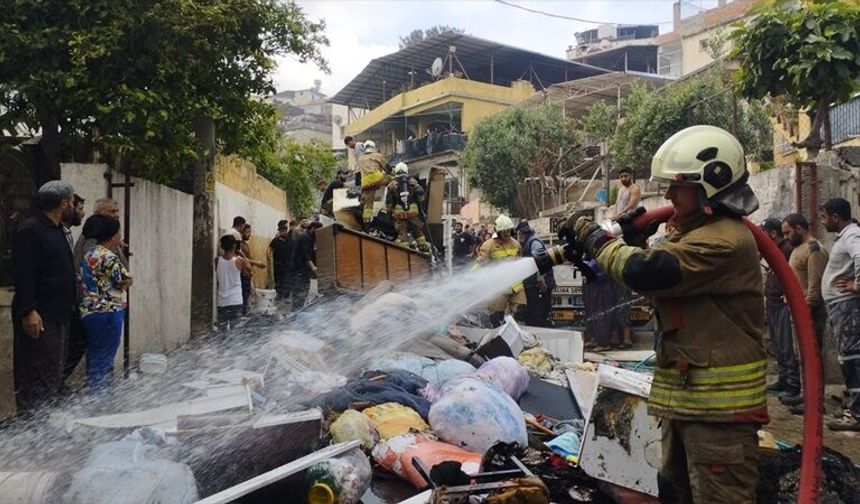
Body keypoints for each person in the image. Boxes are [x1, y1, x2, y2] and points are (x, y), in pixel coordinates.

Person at [565, 125, 767, 503]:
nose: (670, 194)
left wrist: (596, 240)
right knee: (673, 492)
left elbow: (647, 271)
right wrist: (634, 234)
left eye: (679, 186)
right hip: (689, 404)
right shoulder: (696, 231)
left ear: (711, 183)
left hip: (719, 416)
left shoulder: (722, 240)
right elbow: (659, 259)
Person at [12, 181, 78, 410]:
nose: (73, 206)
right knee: (36, 376)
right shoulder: (31, 230)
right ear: (63, 203)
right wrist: (29, 310)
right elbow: (23, 273)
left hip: (58, 314)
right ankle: (31, 431)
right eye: (71, 202)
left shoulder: (56, 230)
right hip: (40, 316)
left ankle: (46, 426)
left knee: (52, 375)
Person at [780, 212, 829, 413]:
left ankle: (816, 401)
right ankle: (808, 395)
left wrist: (805, 309)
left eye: (787, 232)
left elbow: (814, 286)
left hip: (809, 313)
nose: (785, 237)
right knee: (803, 357)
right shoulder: (797, 249)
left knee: (812, 356)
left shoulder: (814, 249)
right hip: (797, 311)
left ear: (799, 229)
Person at [79, 215, 132, 391]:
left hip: (90, 311)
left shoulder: (89, 254)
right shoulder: (108, 256)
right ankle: (98, 403)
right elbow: (126, 280)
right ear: (112, 235)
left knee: (94, 358)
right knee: (104, 361)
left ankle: (93, 397)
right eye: (119, 231)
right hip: (108, 312)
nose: (121, 234)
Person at [820, 198, 860, 431]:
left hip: (848, 307)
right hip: (841, 306)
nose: (823, 221)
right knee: (850, 358)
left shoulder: (853, 235)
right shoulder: (846, 236)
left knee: (853, 359)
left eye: (825, 216)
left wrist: (857, 285)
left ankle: (856, 414)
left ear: (835, 217)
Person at [759, 218, 801, 399]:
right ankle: (784, 380)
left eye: (763, 234)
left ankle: (792, 385)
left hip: (783, 305)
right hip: (773, 303)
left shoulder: (786, 250)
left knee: (785, 346)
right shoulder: (775, 250)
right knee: (778, 345)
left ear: (773, 234)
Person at [475, 215, 525, 327]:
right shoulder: (488, 245)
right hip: (498, 286)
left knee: (521, 314)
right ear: (497, 231)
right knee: (496, 318)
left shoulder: (516, 244)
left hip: (515, 286)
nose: (507, 233)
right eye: (504, 231)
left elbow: (520, 262)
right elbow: (479, 264)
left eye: (508, 230)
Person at [516, 220, 555, 327]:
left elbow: (540, 261)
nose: (518, 237)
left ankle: (541, 336)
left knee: (538, 316)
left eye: (519, 234)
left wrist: (540, 281)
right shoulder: (528, 243)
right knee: (533, 314)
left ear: (522, 234)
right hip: (533, 286)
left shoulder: (534, 243)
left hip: (539, 286)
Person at [385, 162, 428, 251]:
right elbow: (421, 197)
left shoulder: (392, 185)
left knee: (402, 234)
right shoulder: (413, 182)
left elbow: (389, 203)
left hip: (399, 213)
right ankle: (423, 248)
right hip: (413, 212)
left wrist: (389, 214)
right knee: (418, 232)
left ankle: (404, 251)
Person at [217, 234, 250, 328]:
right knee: (235, 330)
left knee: (222, 329)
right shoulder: (239, 260)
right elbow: (249, 268)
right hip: (235, 299)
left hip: (222, 301)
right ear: (234, 246)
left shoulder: (217, 260)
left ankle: (221, 343)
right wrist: (242, 254)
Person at [582, 258, 615, 351]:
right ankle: (595, 339)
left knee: (600, 317)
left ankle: (603, 343)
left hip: (601, 290)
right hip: (593, 289)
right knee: (593, 315)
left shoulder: (602, 259)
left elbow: (604, 276)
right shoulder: (592, 259)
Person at [357, 140, 390, 226]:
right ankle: (388, 203)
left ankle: (366, 221)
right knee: (391, 179)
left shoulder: (360, 158)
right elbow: (388, 168)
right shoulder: (378, 156)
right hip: (377, 179)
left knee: (368, 202)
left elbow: (358, 173)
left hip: (365, 183)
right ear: (373, 147)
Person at [289, 221, 318, 311]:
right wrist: (313, 266)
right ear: (313, 228)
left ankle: (297, 311)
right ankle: (296, 313)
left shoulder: (308, 237)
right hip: (299, 270)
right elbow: (305, 254)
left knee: (302, 291)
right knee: (300, 291)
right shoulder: (305, 237)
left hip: (300, 270)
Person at [239, 224, 266, 315]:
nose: (249, 234)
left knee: (246, 298)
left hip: (247, 274)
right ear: (241, 232)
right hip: (243, 275)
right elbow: (243, 260)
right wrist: (256, 263)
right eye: (247, 232)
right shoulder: (240, 246)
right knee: (243, 298)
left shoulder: (245, 244)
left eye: (250, 232)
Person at [268, 220, 293, 303]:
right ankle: (279, 295)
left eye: (285, 231)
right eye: (282, 231)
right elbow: (269, 249)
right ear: (279, 231)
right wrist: (269, 255)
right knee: (278, 280)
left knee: (287, 280)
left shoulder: (290, 240)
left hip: (288, 265)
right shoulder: (275, 241)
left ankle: (286, 297)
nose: (284, 232)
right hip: (278, 265)